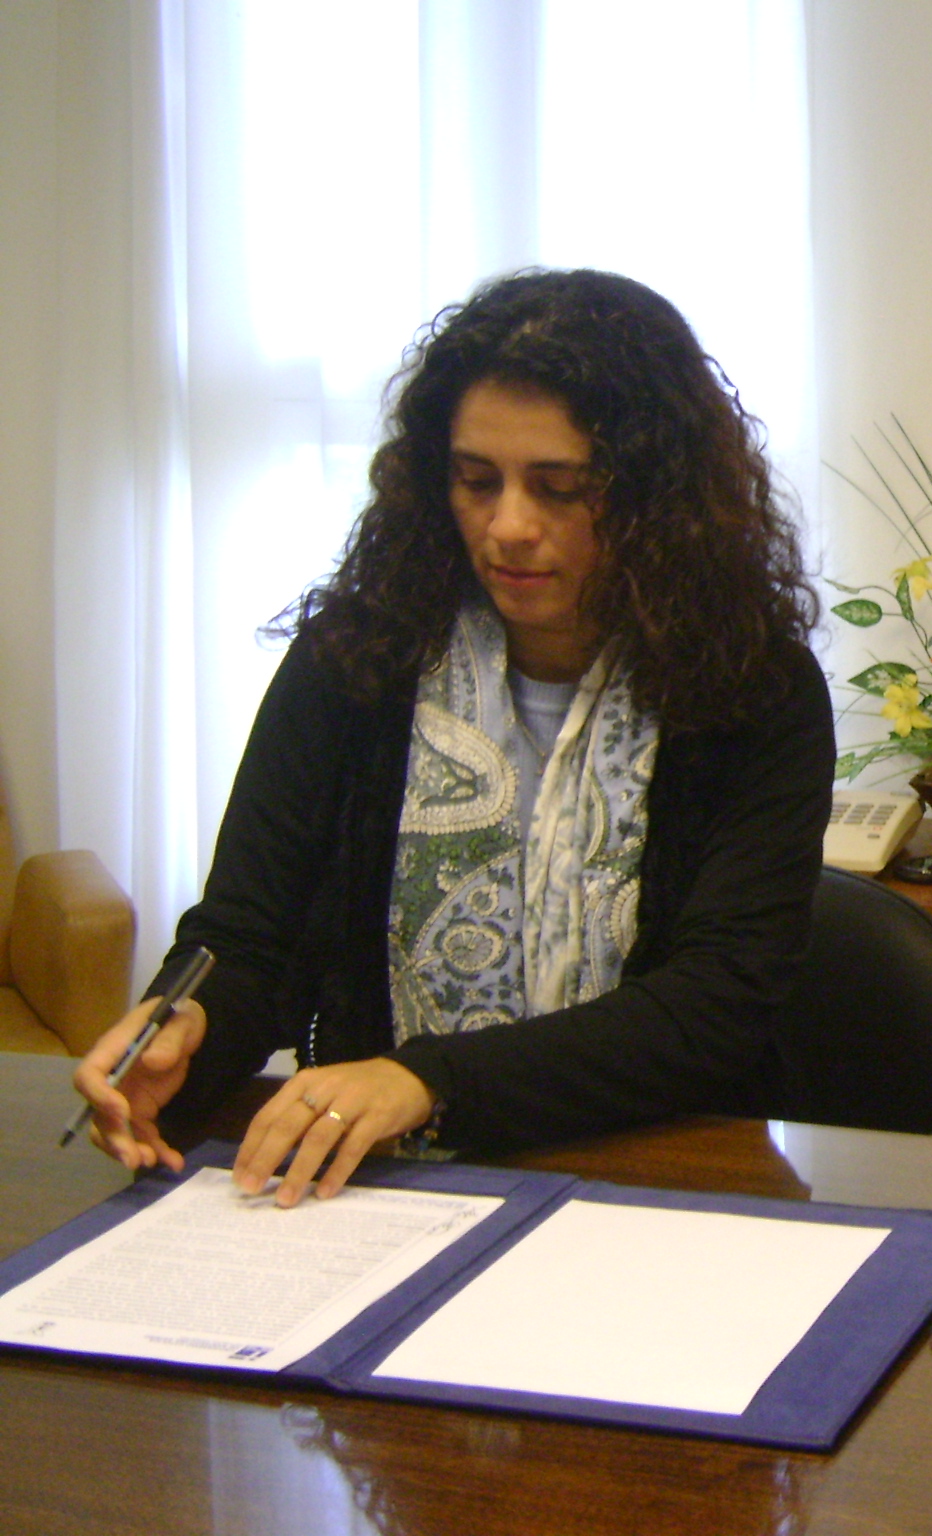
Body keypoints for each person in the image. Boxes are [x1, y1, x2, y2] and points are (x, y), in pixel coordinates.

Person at [73, 269, 832, 1206]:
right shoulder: (359, 659)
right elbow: (250, 937)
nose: (508, 526)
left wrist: (428, 1079)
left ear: (656, 497)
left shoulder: (753, 687)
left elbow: (715, 1007)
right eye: (476, 482)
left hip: (667, 1174)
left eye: (559, 489)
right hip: (376, 1180)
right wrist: (185, 1027)